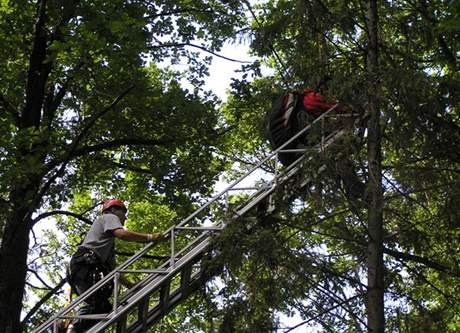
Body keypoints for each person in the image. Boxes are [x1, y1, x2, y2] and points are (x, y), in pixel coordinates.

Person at [66, 199, 168, 332]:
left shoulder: (105, 245)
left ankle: (76, 329)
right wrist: (150, 237)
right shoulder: (108, 217)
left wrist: (130, 286)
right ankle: (72, 328)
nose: (125, 217)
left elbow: (113, 271)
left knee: (103, 307)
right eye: (123, 212)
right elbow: (122, 234)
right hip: (85, 264)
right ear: (113, 210)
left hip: (82, 267)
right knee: (97, 300)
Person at [266, 88, 365, 200]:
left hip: (288, 154)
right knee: (338, 149)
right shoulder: (310, 97)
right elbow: (334, 106)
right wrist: (354, 112)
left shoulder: (292, 107)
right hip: (300, 145)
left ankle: (352, 186)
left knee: (332, 153)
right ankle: (353, 187)